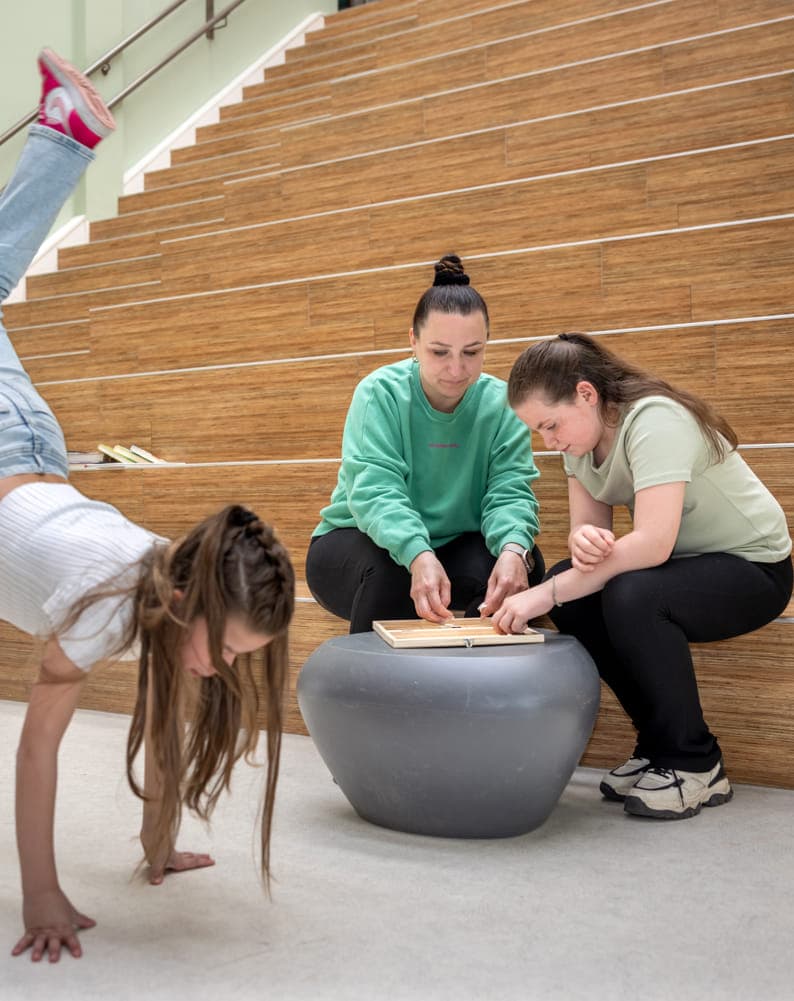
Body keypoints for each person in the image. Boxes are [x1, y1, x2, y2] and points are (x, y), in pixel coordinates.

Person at [2, 50, 295, 963]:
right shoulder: (105, 606)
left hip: (35, 449)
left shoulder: (178, 580)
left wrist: (158, 844)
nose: (225, 667)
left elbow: (165, 725)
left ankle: (64, 134)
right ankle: (64, 135)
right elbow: (36, 750)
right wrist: (41, 894)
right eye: (231, 647)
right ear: (187, 601)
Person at [493, 332, 792, 819]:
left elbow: (653, 543)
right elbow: (588, 536)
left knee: (631, 594)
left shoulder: (656, 420)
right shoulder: (578, 444)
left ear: (586, 394)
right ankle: (658, 742)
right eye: (538, 431)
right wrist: (583, 542)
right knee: (578, 592)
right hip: (683, 566)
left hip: (754, 568)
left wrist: (543, 594)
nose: (548, 441)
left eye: (550, 425)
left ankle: (695, 761)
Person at [305, 254, 544, 633]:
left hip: (455, 543)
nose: (456, 369)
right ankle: (373, 673)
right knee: (393, 572)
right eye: (439, 352)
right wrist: (417, 553)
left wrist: (514, 549)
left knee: (521, 566)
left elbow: (510, 491)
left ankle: (478, 671)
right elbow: (375, 491)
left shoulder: (502, 404)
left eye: (472, 352)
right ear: (413, 341)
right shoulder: (379, 393)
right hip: (358, 541)